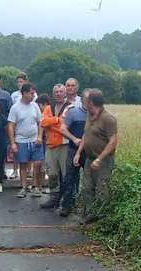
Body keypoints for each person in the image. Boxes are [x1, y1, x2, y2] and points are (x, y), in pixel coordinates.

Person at [73, 89, 117, 224]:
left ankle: (104, 218)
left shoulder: (108, 118)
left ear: (91, 102)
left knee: (102, 189)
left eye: (86, 101)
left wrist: (100, 159)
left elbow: (113, 141)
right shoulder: (89, 114)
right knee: (87, 187)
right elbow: (86, 135)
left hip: (103, 160)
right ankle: (91, 212)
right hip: (89, 159)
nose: (84, 103)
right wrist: (78, 152)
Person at [8, 83, 44, 198]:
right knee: (23, 165)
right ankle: (23, 187)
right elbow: (10, 126)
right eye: (32, 93)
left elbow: (40, 123)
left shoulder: (35, 106)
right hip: (21, 140)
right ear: (24, 93)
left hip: (35, 140)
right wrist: (13, 143)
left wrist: (39, 137)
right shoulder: (15, 108)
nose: (33, 95)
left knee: (38, 163)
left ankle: (34, 186)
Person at [59, 89, 90, 217]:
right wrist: (73, 138)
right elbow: (62, 129)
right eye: (86, 99)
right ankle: (66, 206)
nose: (88, 102)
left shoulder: (95, 115)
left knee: (88, 182)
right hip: (73, 150)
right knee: (69, 178)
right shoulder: (73, 113)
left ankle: (87, 208)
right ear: (82, 99)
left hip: (89, 152)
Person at [40, 84, 71, 208]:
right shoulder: (48, 108)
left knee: (65, 175)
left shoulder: (70, 107)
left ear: (65, 93)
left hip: (64, 145)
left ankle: (66, 201)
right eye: (56, 92)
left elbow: (65, 127)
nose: (58, 94)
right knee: (52, 174)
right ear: (53, 94)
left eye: (61, 91)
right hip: (51, 146)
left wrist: (52, 123)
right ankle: (54, 198)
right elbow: (43, 122)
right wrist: (57, 120)